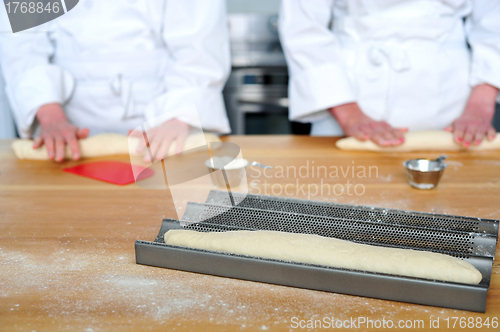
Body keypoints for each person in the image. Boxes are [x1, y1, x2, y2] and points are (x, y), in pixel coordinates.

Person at [0, 0, 231, 162]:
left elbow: (200, 45)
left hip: (163, 123)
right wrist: (49, 114)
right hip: (67, 129)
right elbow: (22, 42)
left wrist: (177, 117)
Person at [279, 0, 500, 147]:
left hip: (452, 100)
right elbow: (303, 27)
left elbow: (494, 22)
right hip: (347, 91)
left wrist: (479, 106)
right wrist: (348, 113)